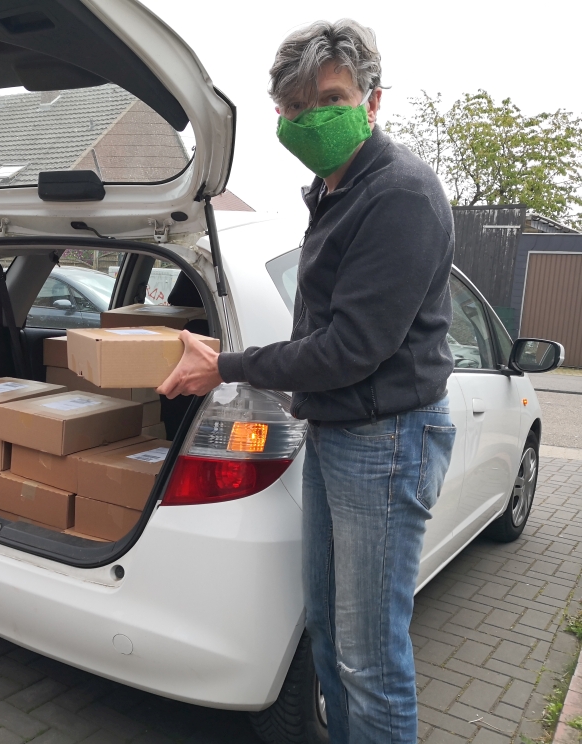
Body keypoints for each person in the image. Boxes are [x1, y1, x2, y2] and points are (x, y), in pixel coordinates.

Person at [156, 19, 456, 744]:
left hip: (385, 442)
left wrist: (226, 366)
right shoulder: (335, 190)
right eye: (294, 106)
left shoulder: (400, 195)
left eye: (330, 99)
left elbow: (350, 349)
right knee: (329, 633)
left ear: (372, 101)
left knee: (370, 659)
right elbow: (324, 335)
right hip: (338, 430)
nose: (310, 118)